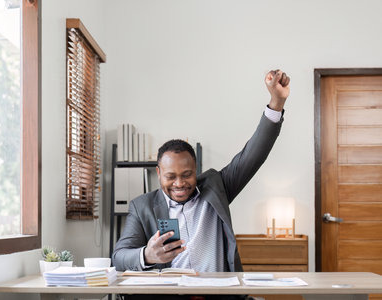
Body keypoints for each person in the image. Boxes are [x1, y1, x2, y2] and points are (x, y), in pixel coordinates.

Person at [112, 70, 290, 300]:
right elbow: (119, 257)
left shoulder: (217, 187)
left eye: (187, 174)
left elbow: (252, 155)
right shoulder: (142, 206)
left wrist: (277, 102)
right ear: (158, 173)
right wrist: (147, 255)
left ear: (196, 170)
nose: (179, 184)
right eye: (170, 176)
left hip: (219, 297)